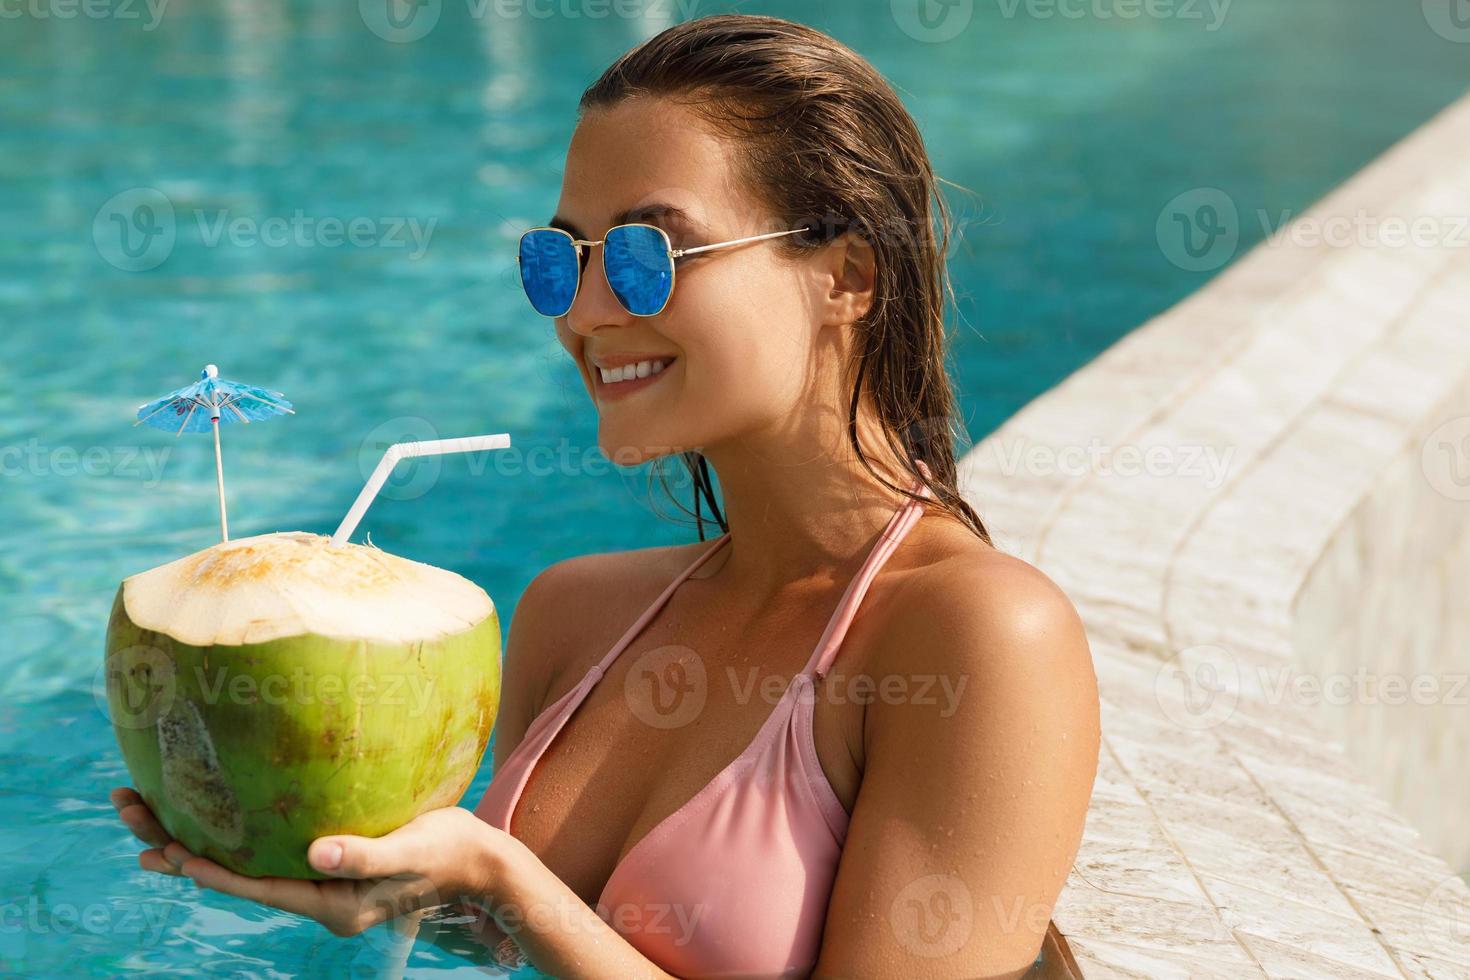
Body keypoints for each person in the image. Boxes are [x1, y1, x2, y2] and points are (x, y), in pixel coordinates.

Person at [112, 14, 1098, 979]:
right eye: (559, 259)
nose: (585, 313)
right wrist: (306, 845)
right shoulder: (574, 613)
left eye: (644, 256)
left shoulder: (978, 635)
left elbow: (523, 906)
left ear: (845, 275)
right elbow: (487, 942)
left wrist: (505, 877)